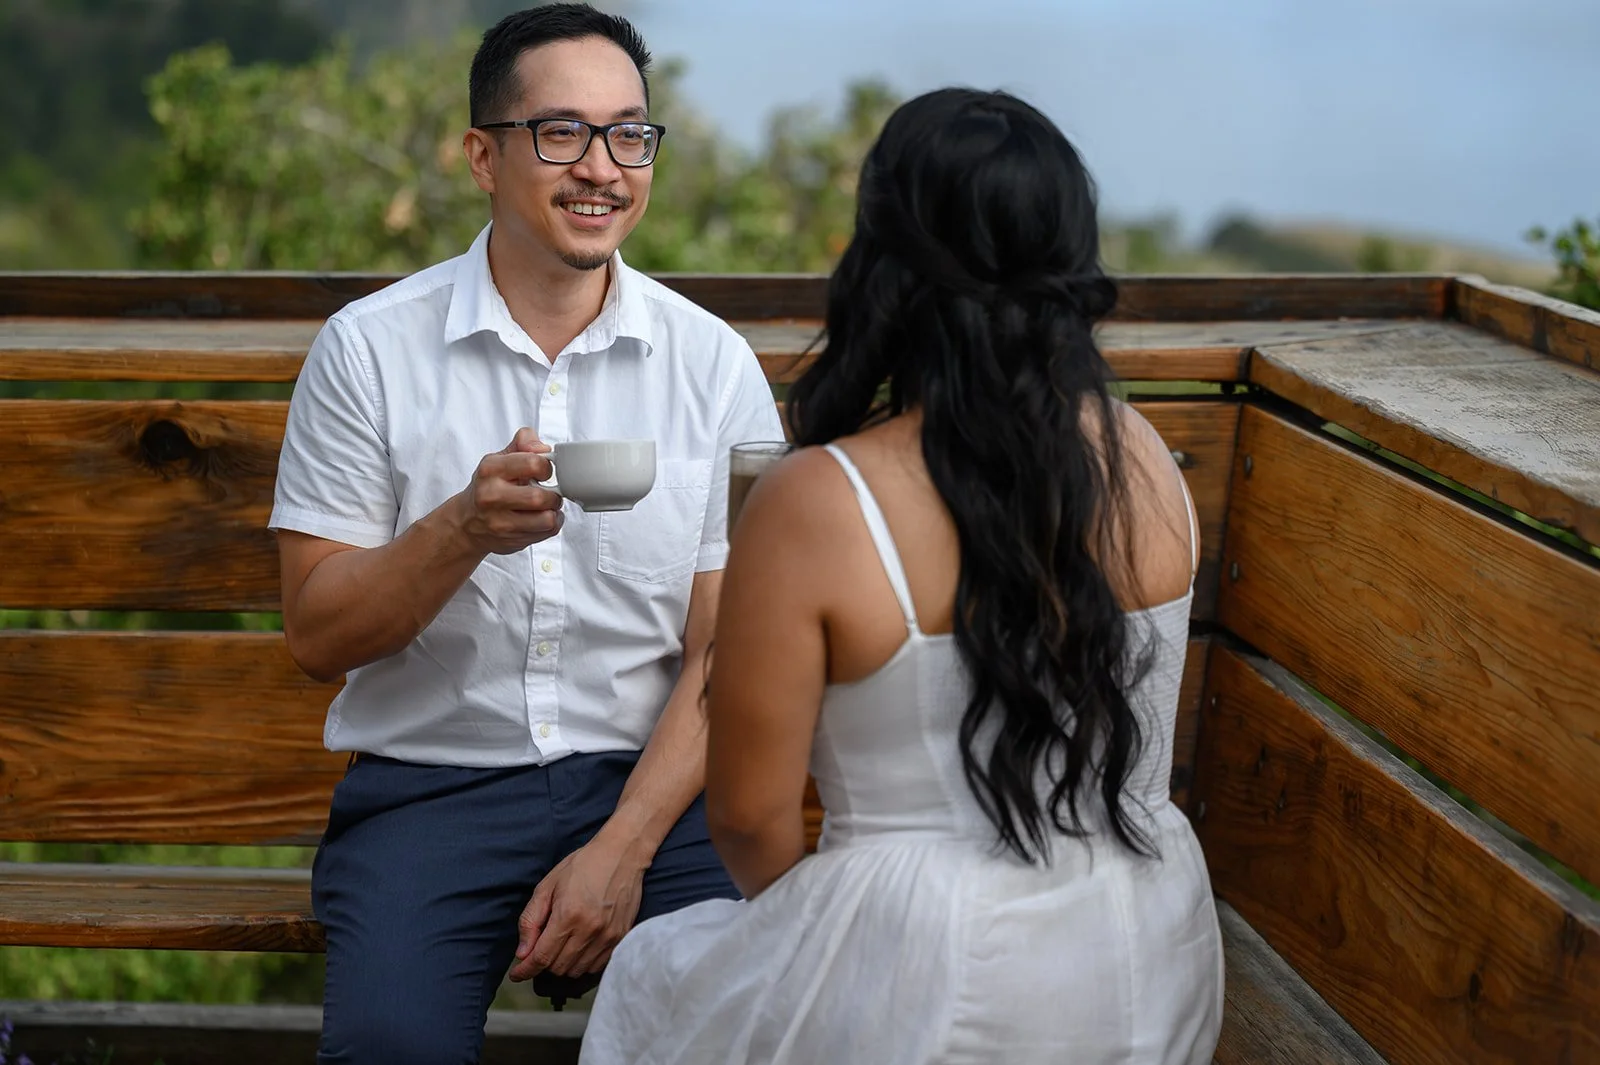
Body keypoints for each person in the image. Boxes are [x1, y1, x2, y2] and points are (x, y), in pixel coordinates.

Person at [580, 87, 1225, 1065]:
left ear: (884, 262)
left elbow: (750, 820)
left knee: (655, 976)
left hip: (935, 957)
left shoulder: (821, 499)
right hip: (1147, 937)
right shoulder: (1143, 458)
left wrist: (845, 936)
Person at [267, 5, 783, 1062]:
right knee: (387, 1047)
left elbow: (731, 650)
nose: (602, 168)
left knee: (760, 1024)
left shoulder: (717, 364)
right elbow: (318, 635)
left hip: (657, 792)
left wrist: (622, 847)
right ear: (482, 157)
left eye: (629, 134)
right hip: (430, 790)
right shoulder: (365, 351)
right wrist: (461, 529)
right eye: (562, 133)